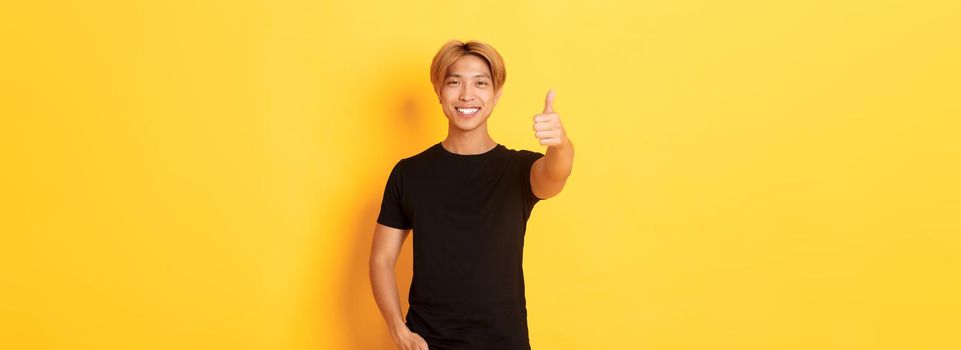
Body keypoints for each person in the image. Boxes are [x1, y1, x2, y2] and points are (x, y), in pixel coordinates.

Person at [369, 40, 574, 350]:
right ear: (439, 91)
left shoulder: (519, 170)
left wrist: (560, 143)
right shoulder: (408, 174)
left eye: (480, 83)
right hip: (427, 343)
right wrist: (398, 329)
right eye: (454, 82)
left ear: (496, 95)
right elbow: (381, 259)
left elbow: (556, 174)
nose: (466, 95)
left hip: (504, 342)